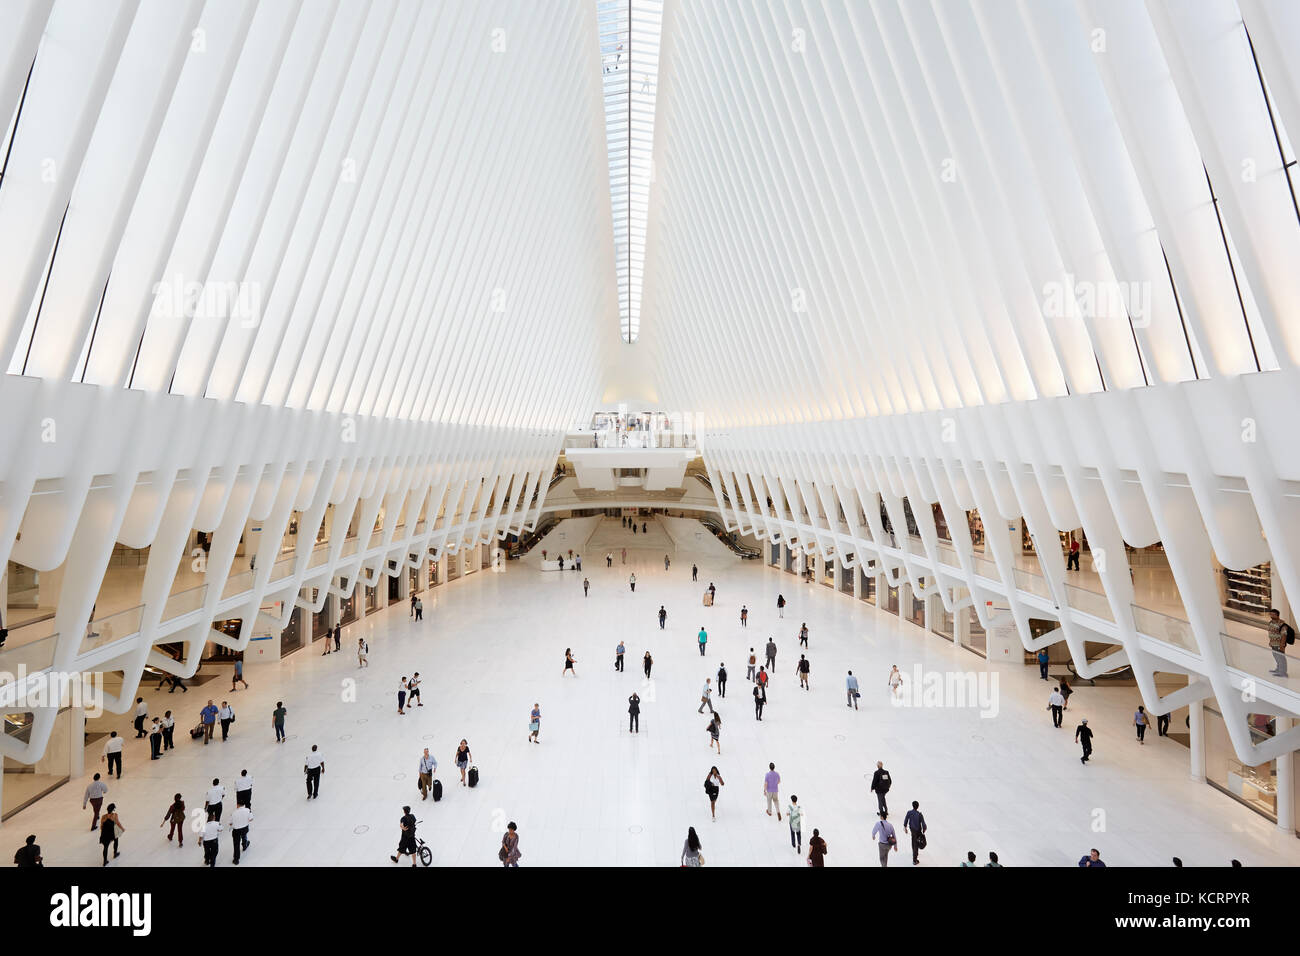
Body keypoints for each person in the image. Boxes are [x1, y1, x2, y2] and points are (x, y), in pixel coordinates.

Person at [1268, 608, 1292, 677]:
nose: (1271, 615)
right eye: (1270, 614)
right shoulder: (1271, 622)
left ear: (1277, 615)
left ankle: (1283, 673)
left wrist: (1282, 645)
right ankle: (1278, 669)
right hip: (1273, 643)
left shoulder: (1282, 624)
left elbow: (1284, 635)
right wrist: (1270, 641)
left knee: (1281, 658)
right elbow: (1271, 632)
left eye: (1273, 614)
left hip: (1279, 644)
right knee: (1276, 657)